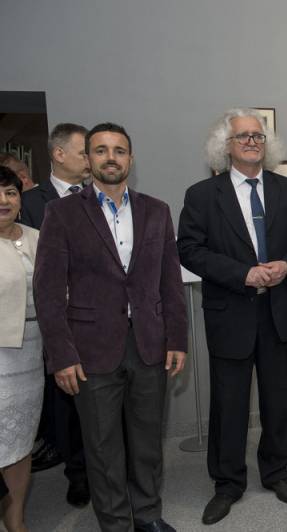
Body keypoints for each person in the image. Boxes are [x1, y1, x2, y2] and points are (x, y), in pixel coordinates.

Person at [34, 122, 187, 532]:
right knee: (102, 448)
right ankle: (116, 523)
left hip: (149, 345)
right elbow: (48, 291)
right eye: (100, 150)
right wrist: (61, 355)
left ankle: (148, 515)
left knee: (147, 442)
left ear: (130, 159)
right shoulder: (62, 213)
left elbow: (170, 282)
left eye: (119, 150)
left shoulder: (157, 210)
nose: (111, 158)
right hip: (90, 350)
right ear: (88, 159)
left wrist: (177, 338)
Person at [178, 108, 287, 525]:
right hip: (230, 314)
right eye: (243, 136)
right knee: (229, 405)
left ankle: (276, 473)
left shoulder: (285, 189)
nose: (252, 141)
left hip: (278, 311)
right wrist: (243, 274)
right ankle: (227, 483)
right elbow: (190, 250)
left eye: (258, 135)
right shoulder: (202, 195)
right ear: (225, 146)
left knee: (276, 401)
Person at [19, 123, 91, 507]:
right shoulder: (31, 203)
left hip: (100, 319)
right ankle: (78, 475)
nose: (91, 159)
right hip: (59, 320)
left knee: (104, 403)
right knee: (67, 406)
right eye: (84, 152)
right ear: (59, 154)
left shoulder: (99, 196)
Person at [0, 166, 43, 532]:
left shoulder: (37, 237)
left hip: (32, 355)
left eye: (11, 193)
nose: (4, 201)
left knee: (20, 443)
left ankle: (16, 521)